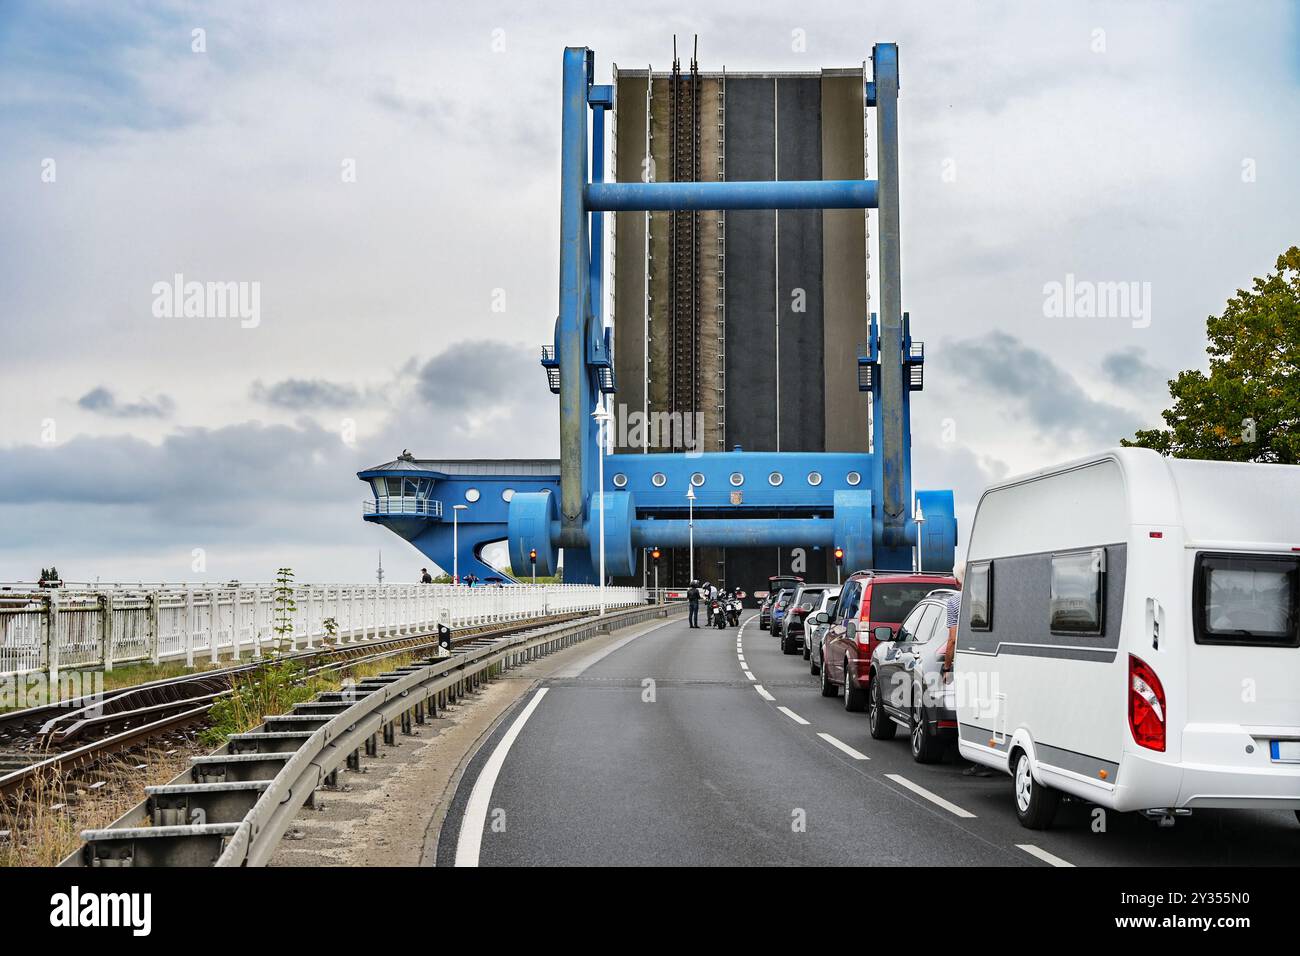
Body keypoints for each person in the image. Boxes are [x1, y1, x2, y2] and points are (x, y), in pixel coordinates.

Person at [944, 560, 993, 778]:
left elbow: (953, 639)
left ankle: (979, 761)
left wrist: (947, 667)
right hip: (990, 659)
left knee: (971, 711)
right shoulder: (987, 598)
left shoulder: (954, 603)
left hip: (968, 662)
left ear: (957, 582)